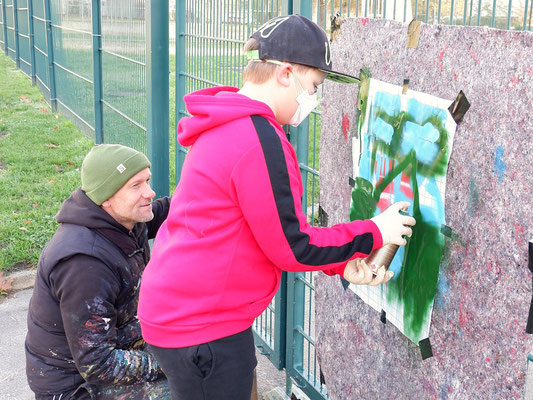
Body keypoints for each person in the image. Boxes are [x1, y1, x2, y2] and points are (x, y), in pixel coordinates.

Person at [138, 14, 416, 400]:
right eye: (314, 86)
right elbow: (292, 246)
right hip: (201, 326)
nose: (313, 100)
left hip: (184, 310)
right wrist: (375, 232)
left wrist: (341, 262)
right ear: (286, 73)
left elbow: (263, 229)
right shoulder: (257, 138)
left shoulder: (227, 121)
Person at [25, 144, 171, 399]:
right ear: (107, 197)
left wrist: (204, 190)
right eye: (135, 186)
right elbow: (98, 363)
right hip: (76, 386)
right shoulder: (84, 263)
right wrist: (170, 363)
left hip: (113, 346)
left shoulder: (121, 219)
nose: (150, 192)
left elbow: (164, 209)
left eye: (147, 180)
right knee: (192, 384)